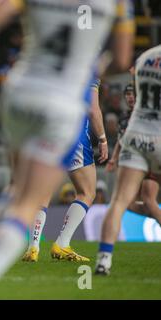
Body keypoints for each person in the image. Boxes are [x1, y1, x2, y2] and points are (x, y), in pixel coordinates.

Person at [0, 0, 134, 299]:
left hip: (20, 93)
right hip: (62, 105)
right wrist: (89, 66)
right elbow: (121, 59)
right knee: (29, 200)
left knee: (16, 190)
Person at [22, 78, 109, 263]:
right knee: (87, 192)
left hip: (44, 132)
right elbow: (93, 110)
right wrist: (102, 139)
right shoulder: (86, 67)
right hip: (72, 131)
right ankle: (62, 243)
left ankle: (33, 247)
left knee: (42, 192)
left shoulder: (49, 62)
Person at [96, 46, 161, 276]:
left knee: (119, 201)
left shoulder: (145, 57)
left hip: (135, 134)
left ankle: (104, 260)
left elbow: (131, 76)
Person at [106, 83, 161, 223]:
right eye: (128, 94)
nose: (130, 97)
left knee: (148, 199)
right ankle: (157, 216)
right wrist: (113, 158)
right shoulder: (124, 118)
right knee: (128, 204)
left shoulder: (147, 114)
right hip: (133, 163)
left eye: (133, 94)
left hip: (149, 161)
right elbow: (121, 140)